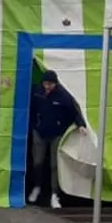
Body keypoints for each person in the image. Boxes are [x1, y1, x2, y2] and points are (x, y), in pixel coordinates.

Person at [28, 69, 86, 209]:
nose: (47, 87)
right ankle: (37, 186)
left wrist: (81, 124)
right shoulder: (37, 92)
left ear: (55, 83)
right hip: (39, 132)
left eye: (50, 84)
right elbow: (30, 109)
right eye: (45, 84)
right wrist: (33, 126)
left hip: (57, 133)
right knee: (37, 162)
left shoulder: (63, 96)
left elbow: (74, 111)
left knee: (55, 165)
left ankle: (55, 194)